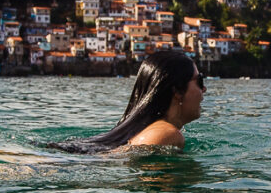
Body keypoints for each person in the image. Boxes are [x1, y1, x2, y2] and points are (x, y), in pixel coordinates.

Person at [51, 50, 205, 153]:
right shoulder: (168, 134)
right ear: (177, 91)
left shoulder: (146, 130)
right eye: (200, 81)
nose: (204, 89)